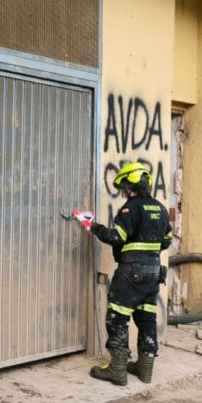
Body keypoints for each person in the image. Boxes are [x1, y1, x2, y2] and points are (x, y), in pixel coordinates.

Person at [84, 162, 172, 385]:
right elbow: (167, 240)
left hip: (131, 271)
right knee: (146, 318)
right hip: (154, 271)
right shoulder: (160, 209)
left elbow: (116, 238)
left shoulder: (129, 208)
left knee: (117, 317)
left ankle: (118, 369)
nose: (123, 191)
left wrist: (94, 227)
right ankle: (145, 369)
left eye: (123, 186)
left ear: (129, 185)